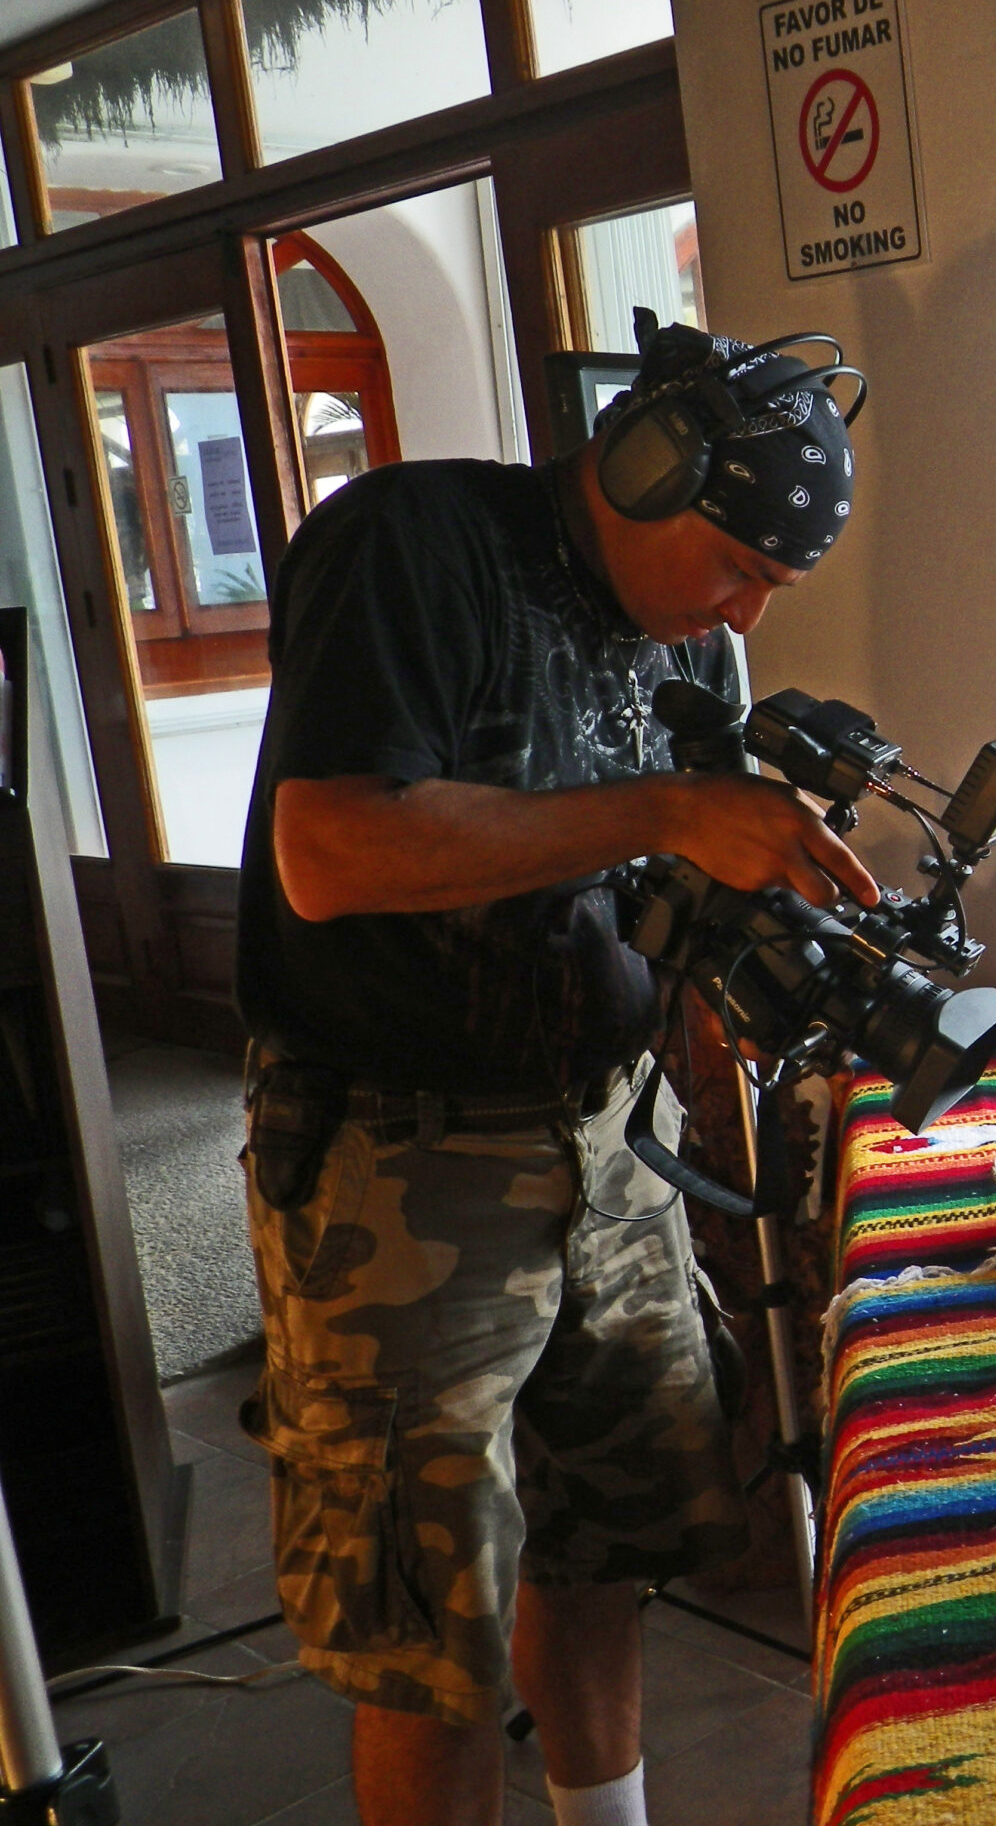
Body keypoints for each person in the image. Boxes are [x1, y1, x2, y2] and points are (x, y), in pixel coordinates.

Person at [234, 320, 876, 1826]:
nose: (749, 605)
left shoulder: (687, 642)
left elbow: (658, 860)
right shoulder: (415, 547)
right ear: (647, 469)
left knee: (610, 1548)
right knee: (426, 1629)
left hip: (606, 1142)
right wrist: (658, 806)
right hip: (403, 1168)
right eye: (739, 562)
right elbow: (331, 850)